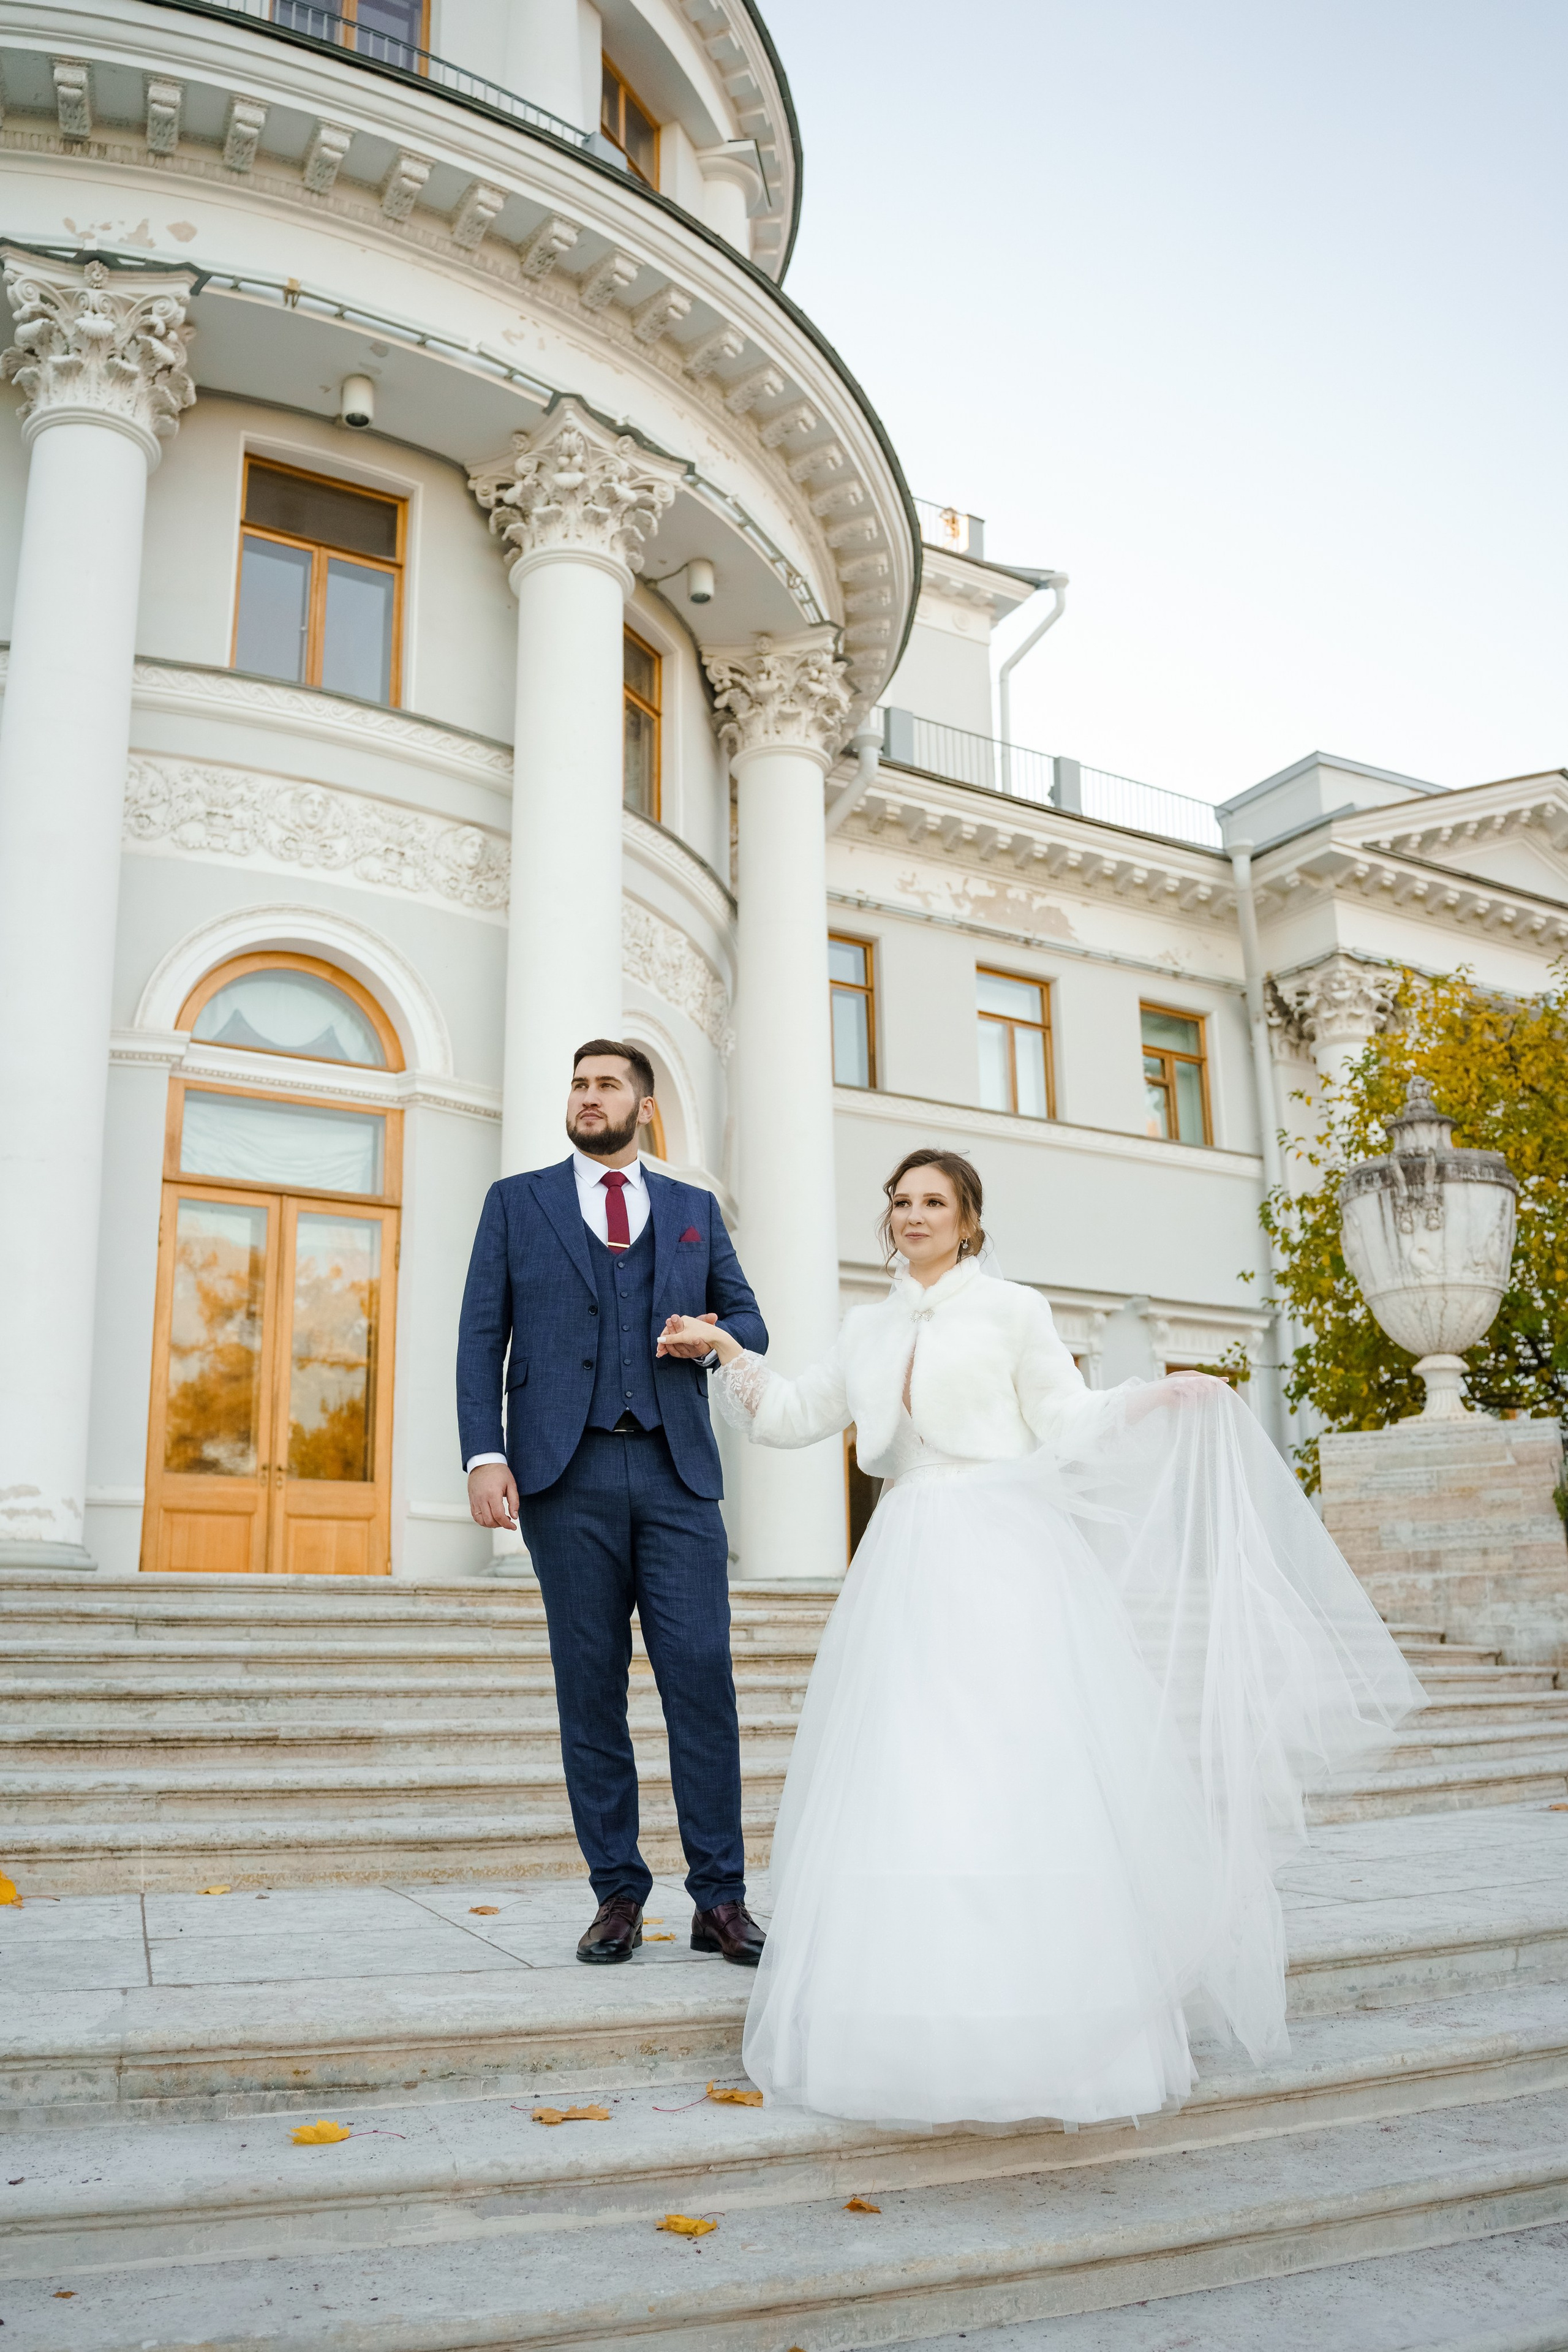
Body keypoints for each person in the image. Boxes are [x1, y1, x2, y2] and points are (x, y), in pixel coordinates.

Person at [658, 1149, 1424, 2127]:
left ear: (971, 1220)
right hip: (905, 1552)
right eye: (900, 1202)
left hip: (1003, 1550)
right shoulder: (868, 1324)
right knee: (911, 1767)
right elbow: (797, 1414)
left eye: (934, 1202)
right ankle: (908, 2019)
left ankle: (1054, 2021)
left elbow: (1065, 1415)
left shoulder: (1013, 1310)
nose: (914, 1216)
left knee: (1015, 1762)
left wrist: (1155, 1396)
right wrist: (725, 1354)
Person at [458, 1041, 769, 1968]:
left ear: (643, 1108)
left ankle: (720, 1899)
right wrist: (484, 1454)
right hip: (566, 1477)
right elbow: (481, 1338)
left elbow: (750, 1320)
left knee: (701, 1684)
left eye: (606, 1086)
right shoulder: (516, 1204)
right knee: (590, 1691)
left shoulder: (690, 1210)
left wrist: (707, 1334)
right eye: (579, 1085)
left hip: (678, 1478)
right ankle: (617, 1896)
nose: (588, 1098)